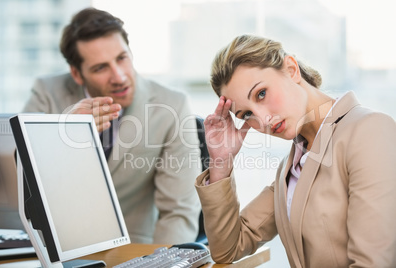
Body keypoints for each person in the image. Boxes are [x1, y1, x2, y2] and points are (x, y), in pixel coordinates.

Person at [195, 34, 396, 267]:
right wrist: (221, 163)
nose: (264, 119)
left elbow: (373, 263)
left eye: (261, 93)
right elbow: (227, 250)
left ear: (291, 69)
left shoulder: (368, 130)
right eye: (246, 114)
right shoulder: (289, 169)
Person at [22, 7, 202, 244]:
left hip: (133, 249)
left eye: (121, 58)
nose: (118, 76)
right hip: (57, 246)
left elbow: (179, 212)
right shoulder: (47, 93)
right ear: (77, 74)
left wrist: (161, 261)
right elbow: (21, 177)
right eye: (100, 68)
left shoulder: (172, 106)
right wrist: (65, 136)